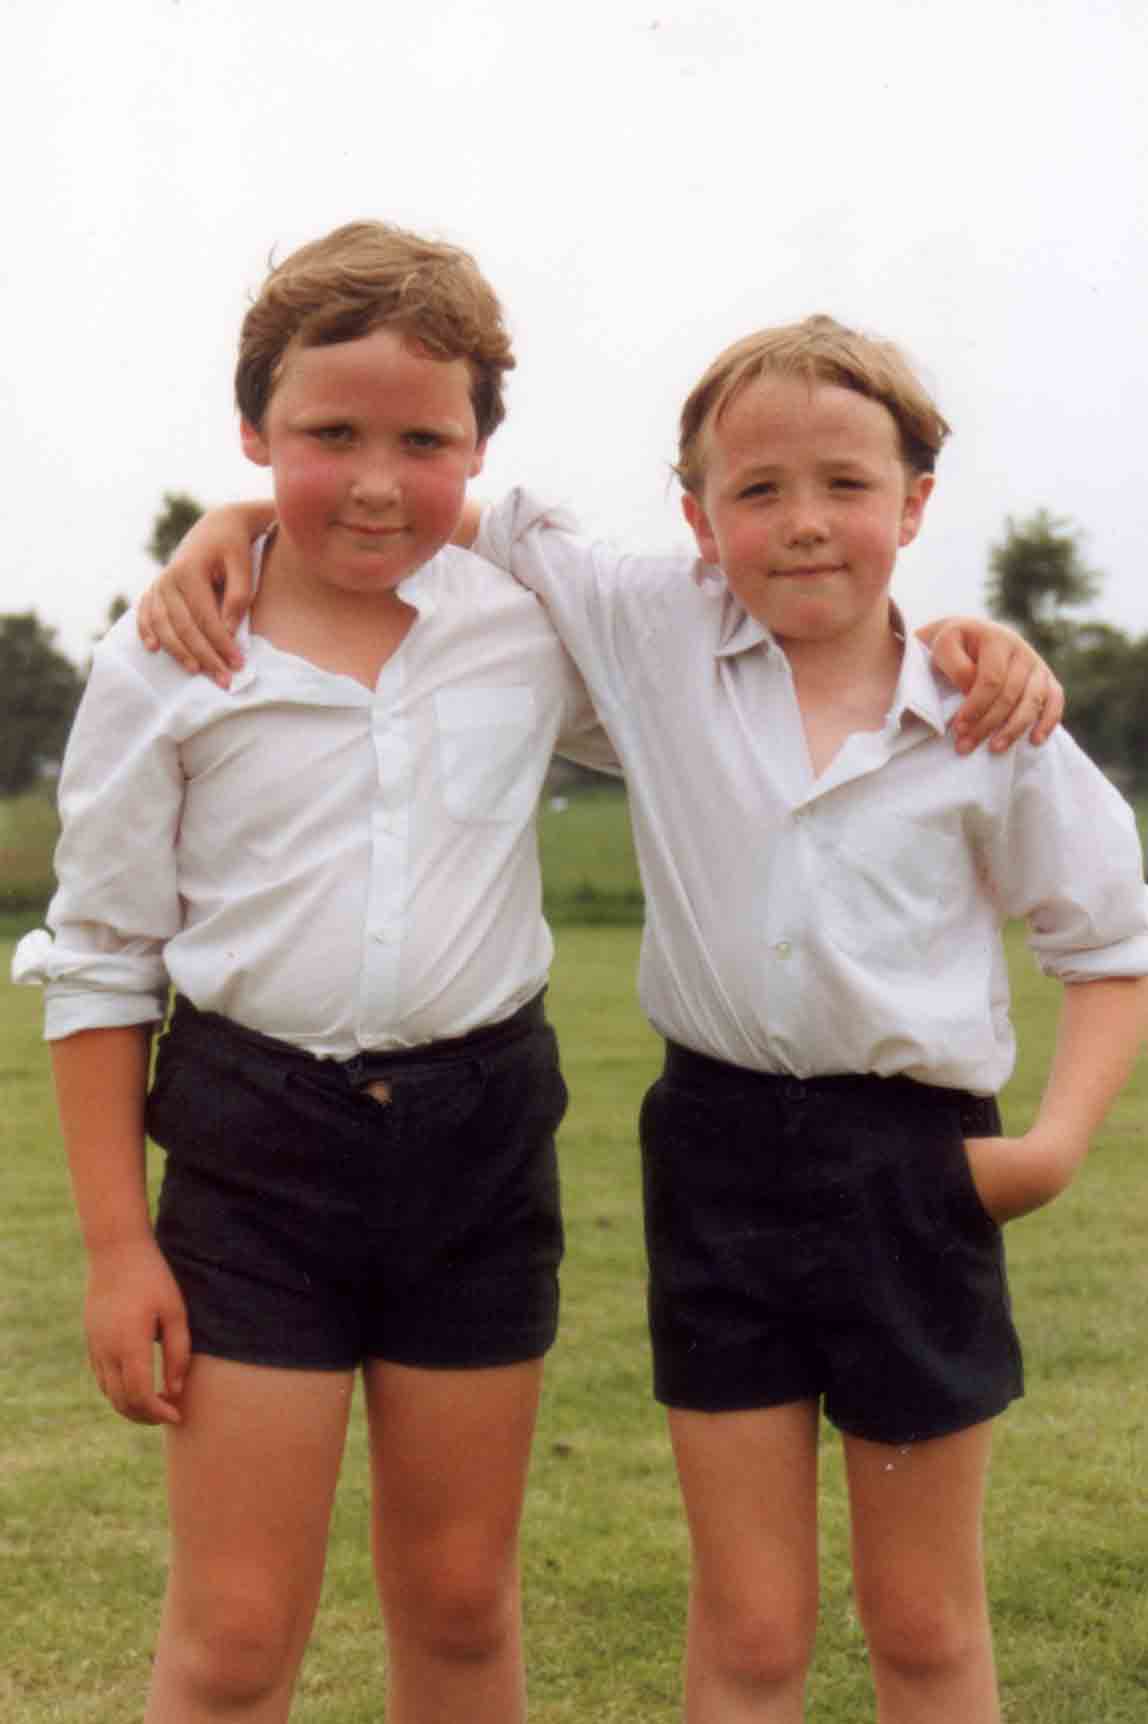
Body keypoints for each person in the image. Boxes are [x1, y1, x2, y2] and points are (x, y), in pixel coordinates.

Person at [133, 311, 1106, 1721]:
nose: (804, 521)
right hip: (716, 1153)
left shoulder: (980, 712)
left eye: (846, 484)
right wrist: (229, 523)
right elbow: (411, 497)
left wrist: (1055, 1148)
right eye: (757, 489)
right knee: (753, 1627)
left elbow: (1111, 939)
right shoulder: (650, 633)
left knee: (925, 1619)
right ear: (697, 517)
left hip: (918, 1163)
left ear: (916, 503)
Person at [12, 220, 617, 1724]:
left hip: (480, 1146)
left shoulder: (533, 630)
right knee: (232, 1635)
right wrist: (117, 1250)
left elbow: (741, 661)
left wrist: (947, 636)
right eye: (328, 436)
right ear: (253, 429)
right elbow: (102, 962)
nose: (375, 482)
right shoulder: (167, 657)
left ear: (480, 449)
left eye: (425, 441)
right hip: (254, 1155)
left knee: (462, 1599)